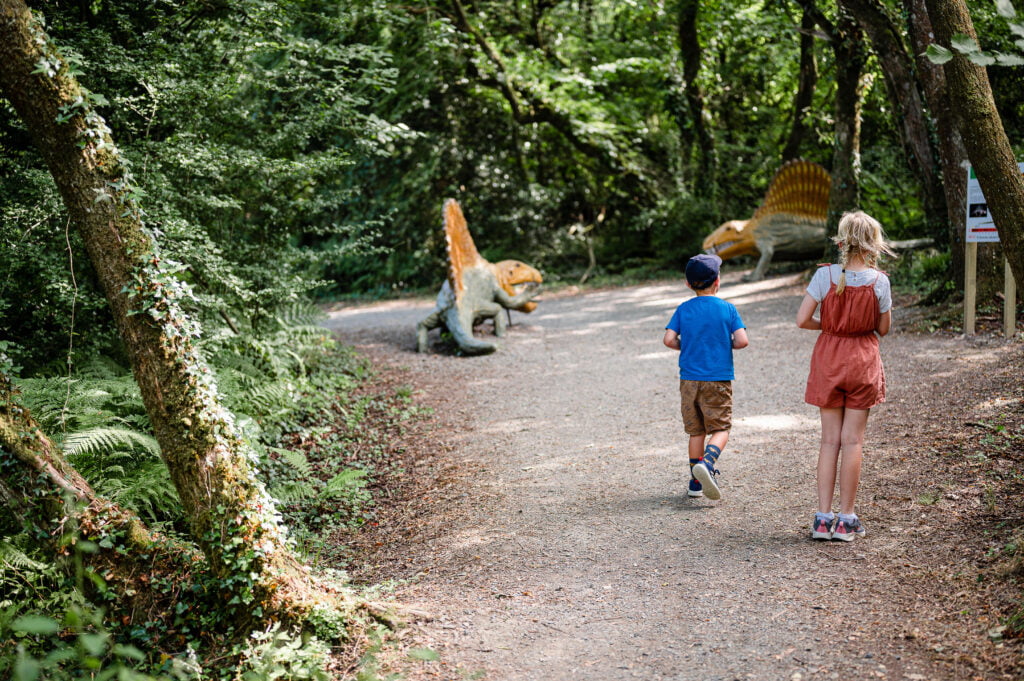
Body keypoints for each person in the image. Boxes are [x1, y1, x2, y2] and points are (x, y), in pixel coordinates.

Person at [796, 211, 894, 541]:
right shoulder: (879, 281)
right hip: (863, 361)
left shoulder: (824, 276)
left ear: (841, 241)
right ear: (873, 244)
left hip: (829, 360)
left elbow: (802, 319)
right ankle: (847, 519)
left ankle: (823, 519)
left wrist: (832, 326)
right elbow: (883, 328)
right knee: (853, 442)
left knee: (829, 441)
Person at [663, 254, 749, 500]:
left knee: (696, 431)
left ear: (688, 284)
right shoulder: (727, 309)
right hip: (717, 379)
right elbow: (742, 340)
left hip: (689, 380)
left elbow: (669, 339)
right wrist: (722, 344)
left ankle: (695, 483)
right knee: (721, 428)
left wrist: (687, 346)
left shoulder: (684, 309)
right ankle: (708, 463)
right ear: (718, 281)